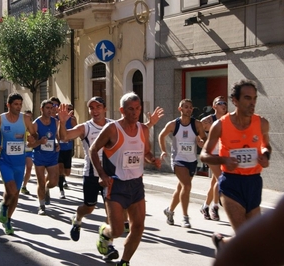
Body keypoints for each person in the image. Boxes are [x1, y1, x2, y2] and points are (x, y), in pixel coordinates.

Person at [59, 96, 164, 243]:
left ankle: (107, 243)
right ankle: (77, 218)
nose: (95, 111)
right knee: (89, 207)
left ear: (105, 109)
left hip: (111, 176)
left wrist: (149, 124)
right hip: (92, 175)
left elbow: (134, 131)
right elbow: (64, 137)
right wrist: (62, 123)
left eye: (98, 107)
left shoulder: (114, 125)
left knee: (112, 215)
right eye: (91, 108)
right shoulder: (85, 127)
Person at [89, 92, 161, 265]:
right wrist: (102, 174)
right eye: (130, 109)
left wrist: (152, 159)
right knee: (117, 230)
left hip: (136, 184)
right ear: (122, 110)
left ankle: (125, 261)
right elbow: (93, 149)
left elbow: (146, 152)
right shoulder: (113, 129)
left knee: (138, 227)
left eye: (138, 109)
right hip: (115, 185)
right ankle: (104, 234)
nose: (135, 113)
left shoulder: (143, 129)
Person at [200, 79, 271, 252]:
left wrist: (265, 155)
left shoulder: (261, 123)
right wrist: (224, 160)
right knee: (247, 241)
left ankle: (223, 244)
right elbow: (204, 155)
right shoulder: (220, 125)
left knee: (252, 237)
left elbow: (265, 145)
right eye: (247, 98)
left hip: (254, 183)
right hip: (231, 183)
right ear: (235, 101)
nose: (252, 103)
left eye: (254, 98)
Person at [0, 93, 37, 234]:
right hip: (4, 160)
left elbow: (34, 134)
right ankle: (4, 206)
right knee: (11, 189)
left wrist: (32, 139)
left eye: (20, 104)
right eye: (15, 104)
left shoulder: (25, 119)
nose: (18, 107)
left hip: (19, 161)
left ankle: (8, 220)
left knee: (15, 194)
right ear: (8, 105)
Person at [159, 98, 207, 228]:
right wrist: (163, 151)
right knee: (186, 186)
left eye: (190, 107)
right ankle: (185, 217)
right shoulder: (173, 124)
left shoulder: (197, 124)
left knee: (181, 187)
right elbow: (161, 135)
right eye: (186, 107)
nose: (189, 109)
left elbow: (204, 138)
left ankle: (169, 210)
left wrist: (202, 143)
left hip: (191, 160)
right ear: (180, 109)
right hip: (178, 159)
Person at [214, 195, 284, 266]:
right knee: (251, 246)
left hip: (253, 189)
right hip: (233, 189)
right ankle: (224, 244)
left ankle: (224, 243)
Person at [199, 96, 227, 221]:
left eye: (225, 103)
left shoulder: (228, 119)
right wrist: (201, 142)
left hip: (223, 154)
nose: (223, 105)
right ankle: (215, 207)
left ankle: (205, 206)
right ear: (214, 106)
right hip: (212, 155)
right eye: (220, 103)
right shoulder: (208, 120)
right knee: (220, 178)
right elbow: (196, 130)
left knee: (214, 182)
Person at [31, 100, 60, 215]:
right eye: (47, 108)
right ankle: (41, 205)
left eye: (51, 108)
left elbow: (58, 137)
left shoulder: (56, 122)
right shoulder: (35, 124)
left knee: (53, 182)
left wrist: (58, 144)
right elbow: (30, 144)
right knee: (40, 182)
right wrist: (39, 142)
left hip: (52, 155)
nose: (50, 110)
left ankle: (47, 189)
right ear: (41, 109)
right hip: (39, 156)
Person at [57, 103, 77, 199]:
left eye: (70, 109)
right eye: (67, 109)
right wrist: (58, 140)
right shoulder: (58, 119)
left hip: (68, 148)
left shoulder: (73, 120)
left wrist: (70, 138)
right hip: (59, 148)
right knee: (60, 168)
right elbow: (56, 133)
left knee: (67, 172)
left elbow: (76, 132)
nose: (68, 110)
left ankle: (62, 178)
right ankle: (61, 190)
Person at [21, 110, 34, 195]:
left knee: (29, 168)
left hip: (29, 151)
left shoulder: (33, 127)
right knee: (19, 170)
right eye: (27, 117)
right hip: (19, 151)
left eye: (30, 117)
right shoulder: (19, 126)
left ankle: (24, 186)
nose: (28, 118)